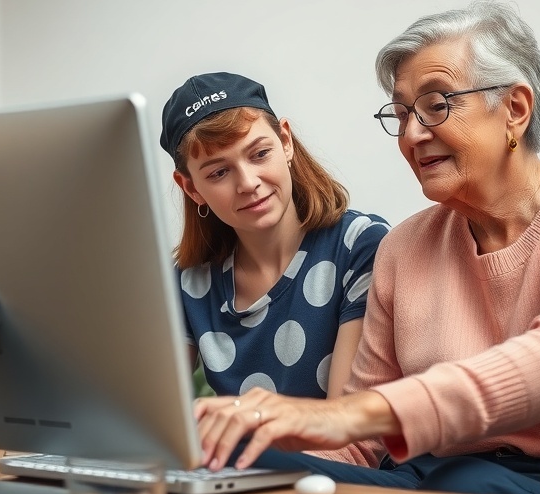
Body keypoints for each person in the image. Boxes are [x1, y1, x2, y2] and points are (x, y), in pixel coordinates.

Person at [191, 0, 540, 494]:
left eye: (437, 105)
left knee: (462, 481)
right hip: (435, 476)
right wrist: (256, 443)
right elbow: (361, 448)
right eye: (401, 113)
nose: (412, 134)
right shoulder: (403, 248)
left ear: (515, 110)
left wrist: (342, 413)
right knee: (238, 462)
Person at [160, 71, 390, 401]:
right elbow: (159, 419)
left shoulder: (361, 246)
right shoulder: (187, 282)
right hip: (238, 455)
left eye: (259, 154)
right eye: (219, 172)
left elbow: (347, 428)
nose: (248, 182)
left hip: (329, 454)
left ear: (285, 142)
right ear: (192, 188)